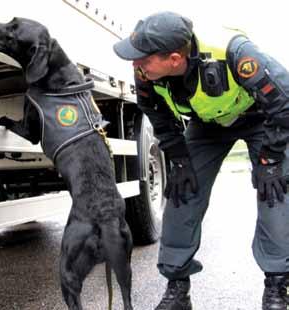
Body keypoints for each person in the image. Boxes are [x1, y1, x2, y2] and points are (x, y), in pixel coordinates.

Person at [113, 11, 289, 310]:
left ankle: (276, 287)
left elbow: (283, 103)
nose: (135, 64)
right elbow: (157, 114)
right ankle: (177, 288)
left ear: (173, 59)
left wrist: (269, 159)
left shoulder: (237, 54)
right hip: (207, 125)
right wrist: (179, 159)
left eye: (143, 58)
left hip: (261, 117)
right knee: (182, 193)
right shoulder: (146, 73)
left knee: (275, 191)